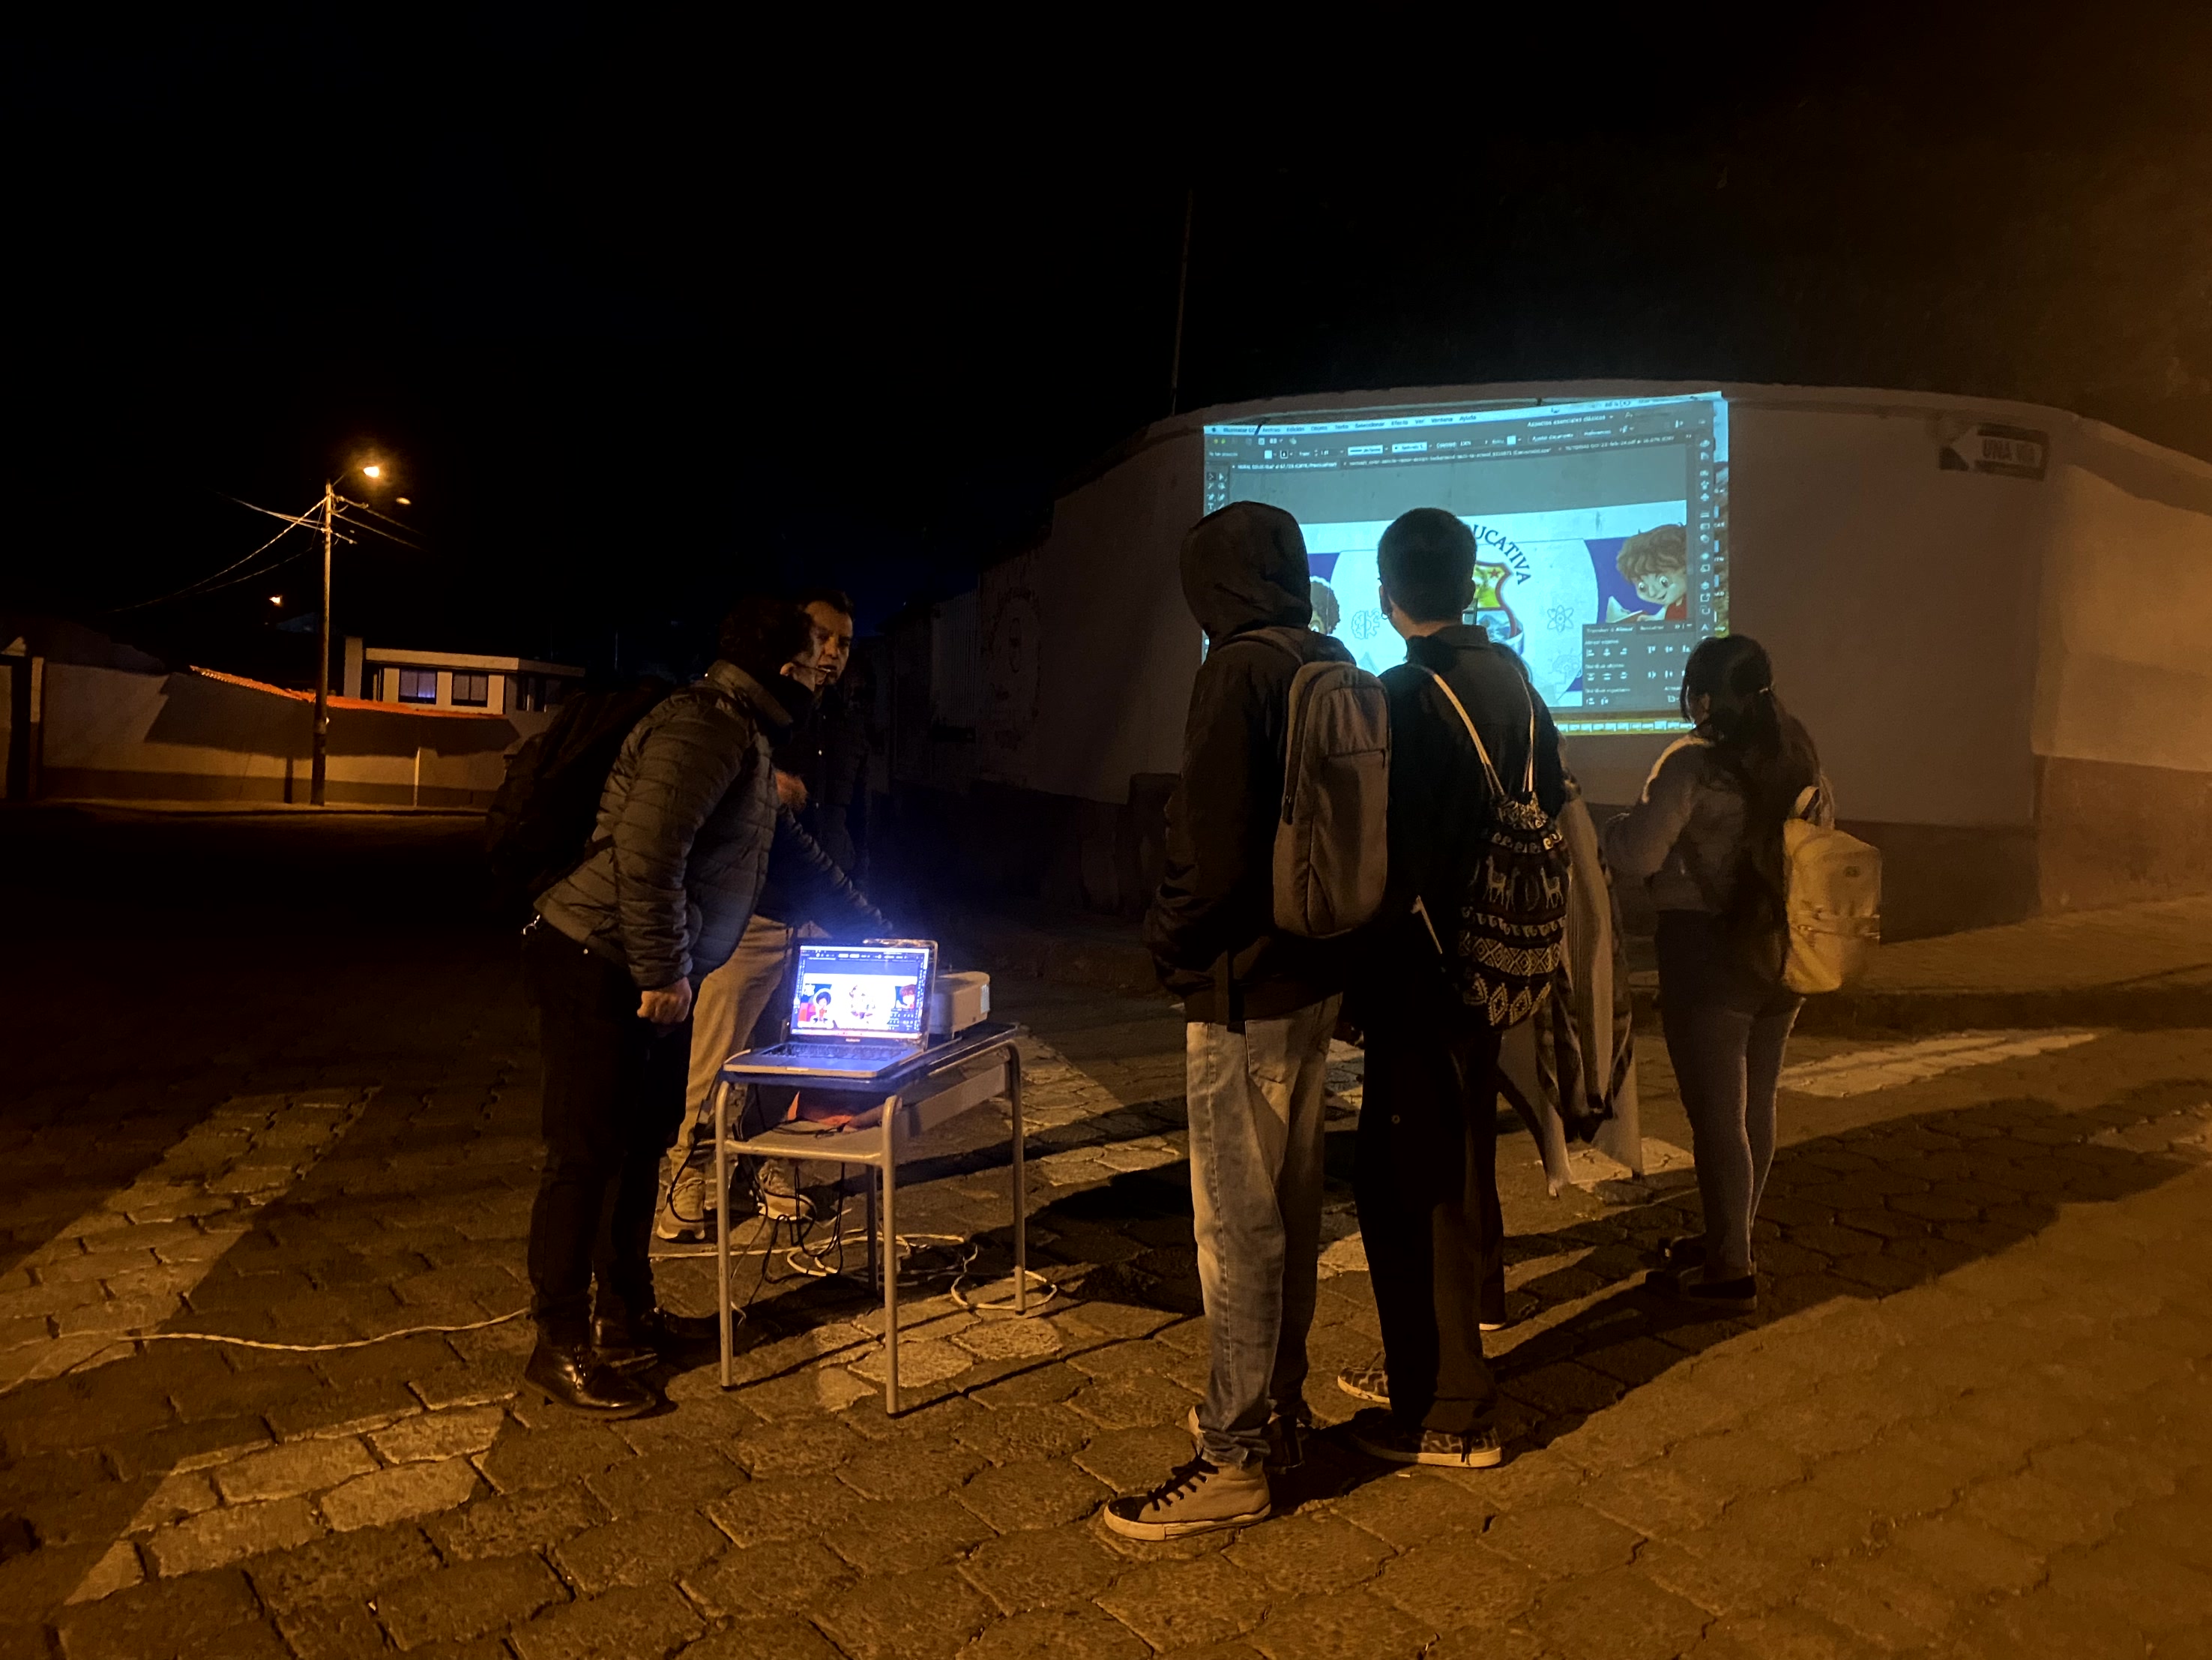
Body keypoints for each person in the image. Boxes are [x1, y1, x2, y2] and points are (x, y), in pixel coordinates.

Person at [519, 595, 874, 1417]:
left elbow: (795, 855)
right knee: (584, 1153)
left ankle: (625, 1315)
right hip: (596, 957)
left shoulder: (745, 734)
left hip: (645, 964)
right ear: (780, 666)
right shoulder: (702, 728)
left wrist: (879, 930)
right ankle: (559, 1341)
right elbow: (648, 854)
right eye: (811, 657)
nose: (822, 670)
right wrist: (663, 971)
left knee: (641, 1144)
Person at [1105, 502, 1351, 1541]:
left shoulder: (1236, 673)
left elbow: (1207, 848)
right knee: (1287, 1212)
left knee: (1236, 1229)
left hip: (1244, 988)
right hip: (1314, 977)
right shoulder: (1327, 660)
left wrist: (1168, 946)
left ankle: (1232, 1456)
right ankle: (1279, 1409)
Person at [1338, 508, 1567, 1469]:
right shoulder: (1515, 680)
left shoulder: (1402, 695)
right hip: (1498, 961)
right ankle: (1462, 1328)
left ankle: (1449, 1409)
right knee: (1464, 1154)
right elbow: (1554, 798)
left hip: (1424, 973)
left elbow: (1384, 852)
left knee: (1411, 1181)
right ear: (1471, 584)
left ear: (1386, 597)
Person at [1602, 634, 1827, 1314]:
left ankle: (1729, 1270)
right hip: (1783, 950)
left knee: (1715, 1116)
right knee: (1755, 1104)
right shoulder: (1797, 753)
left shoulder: (1690, 766)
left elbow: (1637, 856)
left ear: (1701, 697)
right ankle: (1731, 1237)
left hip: (1708, 954)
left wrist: (1611, 828)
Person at [662, 592, 887, 1240]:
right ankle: (686, 1177)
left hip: (820, 916)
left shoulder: (846, 722)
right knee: (716, 1058)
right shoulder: (757, 717)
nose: (832, 654)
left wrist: (857, 901)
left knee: (794, 1058)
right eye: (823, 638)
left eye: (845, 644)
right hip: (751, 912)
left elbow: (852, 818)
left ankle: (772, 1167)